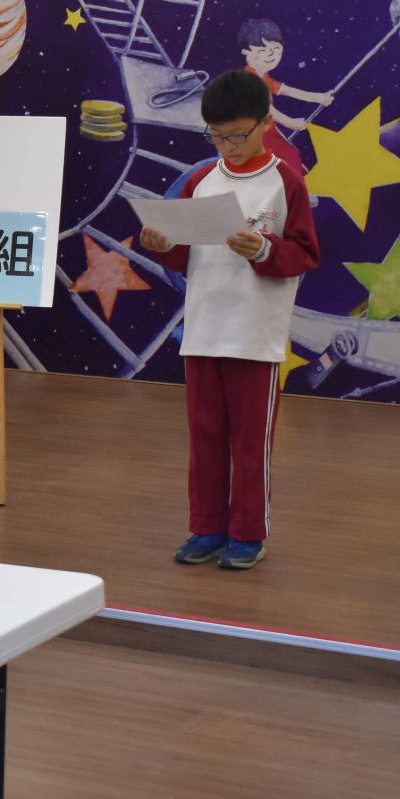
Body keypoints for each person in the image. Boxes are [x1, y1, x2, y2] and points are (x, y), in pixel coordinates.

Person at [139, 70, 320, 570]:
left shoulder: (285, 180)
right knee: (205, 438)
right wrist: (162, 244)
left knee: (250, 441)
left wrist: (263, 248)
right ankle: (206, 528)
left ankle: (247, 533)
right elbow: (182, 255)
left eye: (238, 135)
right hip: (203, 329)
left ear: (265, 124)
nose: (228, 146)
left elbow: (306, 254)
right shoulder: (201, 180)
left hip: (255, 333)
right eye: (217, 136)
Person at [236, 18, 332, 173]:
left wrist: (318, 97)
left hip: (266, 130)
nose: (270, 57)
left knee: (290, 158)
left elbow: (287, 90)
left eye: (276, 51)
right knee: (287, 159)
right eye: (262, 52)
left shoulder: (262, 76)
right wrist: (290, 122)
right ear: (245, 52)